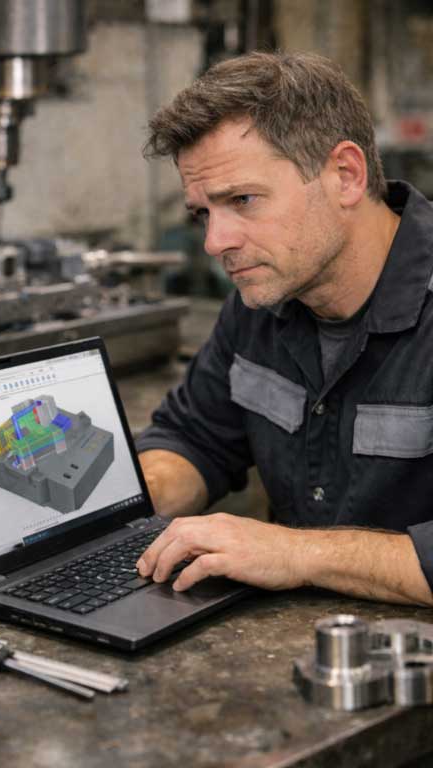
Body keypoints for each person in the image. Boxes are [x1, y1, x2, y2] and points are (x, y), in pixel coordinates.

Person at [134, 51, 433, 607]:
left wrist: (293, 553)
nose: (215, 242)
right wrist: (131, 500)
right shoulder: (261, 302)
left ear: (345, 175)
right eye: (204, 212)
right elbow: (193, 437)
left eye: (242, 200)